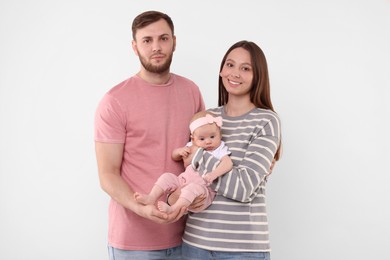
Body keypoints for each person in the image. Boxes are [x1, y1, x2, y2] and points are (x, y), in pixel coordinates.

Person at [94, 10, 205, 259]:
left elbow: (202, 155)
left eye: (163, 38)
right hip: (134, 242)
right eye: (147, 40)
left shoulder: (191, 91)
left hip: (189, 237)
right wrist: (140, 208)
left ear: (174, 42)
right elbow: (107, 174)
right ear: (135, 47)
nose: (156, 47)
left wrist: (201, 195)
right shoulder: (114, 101)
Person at [171, 40, 282, 259]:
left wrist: (199, 156)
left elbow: (243, 188)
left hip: (242, 250)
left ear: (258, 75)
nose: (235, 73)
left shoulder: (266, 121)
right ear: (222, 70)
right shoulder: (206, 118)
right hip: (194, 244)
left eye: (246, 68)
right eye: (230, 65)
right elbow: (187, 173)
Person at [134, 111, 233, 214]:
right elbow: (174, 156)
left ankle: (174, 209)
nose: (208, 142)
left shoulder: (219, 149)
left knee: (191, 189)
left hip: (203, 191)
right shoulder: (192, 146)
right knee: (167, 177)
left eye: (212, 137)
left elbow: (228, 163)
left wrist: (214, 174)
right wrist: (179, 152)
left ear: (220, 135)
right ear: (193, 139)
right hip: (183, 181)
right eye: (202, 138)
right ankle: (151, 197)